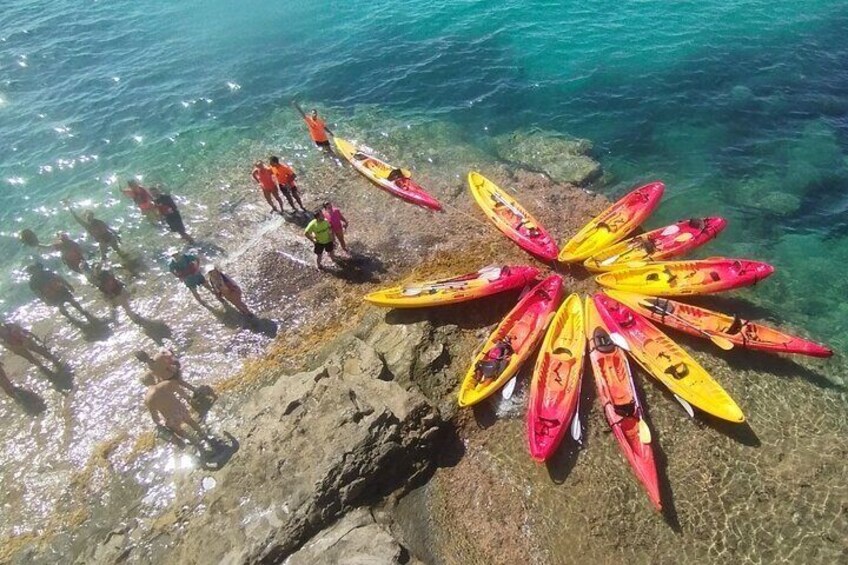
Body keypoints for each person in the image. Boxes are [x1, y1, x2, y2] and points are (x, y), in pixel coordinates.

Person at [142, 373, 209, 447]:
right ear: (153, 378)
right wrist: (189, 399)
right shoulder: (165, 384)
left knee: (179, 431)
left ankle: (194, 442)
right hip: (179, 409)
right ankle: (202, 435)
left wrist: (159, 425)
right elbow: (182, 393)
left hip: (169, 417)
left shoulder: (147, 399)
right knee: (191, 422)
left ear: (144, 384)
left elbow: (155, 416)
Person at [26, 262, 97, 323]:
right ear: (31, 273)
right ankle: (70, 317)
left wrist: (68, 285)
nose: (36, 271)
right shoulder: (32, 282)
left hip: (60, 290)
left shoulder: (47, 273)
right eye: (33, 270)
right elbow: (38, 293)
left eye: (36, 269)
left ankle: (82, 311)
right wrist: (45, 300)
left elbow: (59, 278)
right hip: (51, 295)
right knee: (61, 306)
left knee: (72, 301)